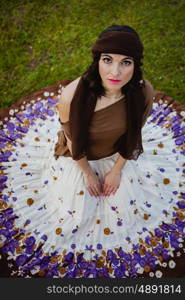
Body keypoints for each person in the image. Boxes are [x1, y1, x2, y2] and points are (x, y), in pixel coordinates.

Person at [0, 25, 184, 278]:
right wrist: (87, 174)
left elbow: (134, 134)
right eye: (107, 60)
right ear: (97, 59)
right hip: (80, 159)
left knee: (126, 210)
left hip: (117, 155)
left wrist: (117, 171)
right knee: (72, 217)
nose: (115, 72)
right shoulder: (72, 96)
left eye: (125, 62)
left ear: (136, 64)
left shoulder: (143, 92)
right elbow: (73, 142)